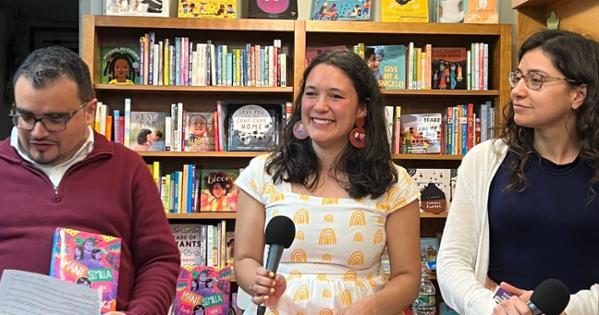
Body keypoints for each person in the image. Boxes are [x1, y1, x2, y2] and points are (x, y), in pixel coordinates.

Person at [234, 50, 421, 314]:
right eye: (311, 93)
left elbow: (408, 277)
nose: (320, 106)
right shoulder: (262, 172)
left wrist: (371, 307)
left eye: (336, 96)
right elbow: (244, 259)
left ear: (363, 108)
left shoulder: (395, 183)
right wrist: (258, 281)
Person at [0, 46, 180, 314]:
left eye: (55, 119)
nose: (38, 131)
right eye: (25, 116)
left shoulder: (127, 167)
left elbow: (159, 259)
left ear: (89, 111)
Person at [437, 29, 599, 315]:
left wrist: (569, 308)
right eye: (519, 77)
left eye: (536, 80)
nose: (517, 90)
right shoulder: (484, 160)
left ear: (578, 94)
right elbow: (452, 262)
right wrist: (492, 307)